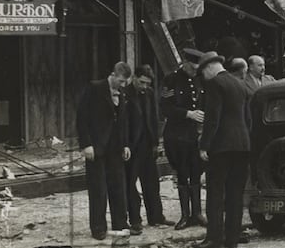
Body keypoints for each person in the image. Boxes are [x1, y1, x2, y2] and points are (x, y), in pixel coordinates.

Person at [197, 52, 252, 248]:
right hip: (242, 146)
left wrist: (205, 145)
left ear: (209, 67)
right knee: (235, 194)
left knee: (215, 193)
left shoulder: (215, 84)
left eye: (203, 73)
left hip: (221, 147)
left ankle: (214, 238)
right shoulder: (240, 84)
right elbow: (248, 120)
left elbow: (213, 118)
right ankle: (232, 239)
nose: (203, 78)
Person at [76, 62, 132, 240]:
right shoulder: (95, 87)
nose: (123, 86)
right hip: (97, 148)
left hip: (115, 149)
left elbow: (122, 121)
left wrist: (125, 144)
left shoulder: (121, 93)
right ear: (113, 75)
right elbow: (81, 117)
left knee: (118, 187)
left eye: (125, 83)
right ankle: (98, 228)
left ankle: (120, 223)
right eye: (121, 81)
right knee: (98, 189)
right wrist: (86, 144)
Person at [160, 48, 208, 230]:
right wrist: (188, 114)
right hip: (177, 136)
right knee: (182, 174)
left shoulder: (201, 79)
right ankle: (185, 215)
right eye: (193, 68)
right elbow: (165, 108)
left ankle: (197, 214)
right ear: (185, 63)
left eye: (198, 69)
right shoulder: (171, 80)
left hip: (196, 135)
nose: (195, 71)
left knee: (196, 172)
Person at [125, 65, 173, 233]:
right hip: (131, 146)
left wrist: (155, 143)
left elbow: (153, 117)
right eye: (142, 82)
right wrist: (125, 145)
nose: (144, 86)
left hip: (148, 144)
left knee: (152, 182)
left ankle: (156, 216)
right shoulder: (126, 93)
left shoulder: (150, 93)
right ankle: (135, 220)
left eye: (147, 83)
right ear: (134, 78)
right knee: (130, 184)